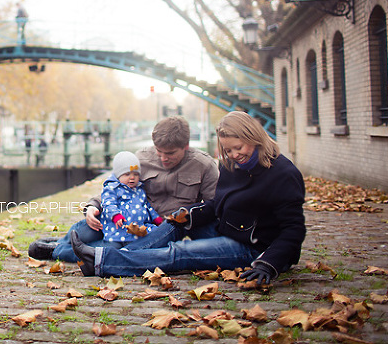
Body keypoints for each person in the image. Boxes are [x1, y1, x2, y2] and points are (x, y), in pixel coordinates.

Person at [71, 111, 307, 285]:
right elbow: (217, 204)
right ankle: (105, 254)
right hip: (227, 230)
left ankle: (103, 260)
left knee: (179, 254)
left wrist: (269, 263)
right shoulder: (231, 165)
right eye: (228, 150)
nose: (234, 155)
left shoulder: (283, 174)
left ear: (253, 137)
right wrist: (188, 215)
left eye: (238, 148)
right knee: (173, 224)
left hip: (255, 248)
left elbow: (293, 229)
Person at [28, 116, 218, 262]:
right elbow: (116, 186)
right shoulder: (141, 159)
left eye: (170, 154)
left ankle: (57, 250)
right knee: (89, 228)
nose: (163, 158)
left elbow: (213, 206)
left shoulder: (204, 165)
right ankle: (63, 242)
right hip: (123, 219)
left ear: (185, 146)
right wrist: (92, 207)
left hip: (158, 230)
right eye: (158, 152)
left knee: (115, 251)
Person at [100, 151, 163, 246]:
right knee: (112, 250)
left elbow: (147, 205)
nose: (132, 178)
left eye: (136, 174)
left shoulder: (139, 190)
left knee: (149, 243)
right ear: (118, 176)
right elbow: (108, 203)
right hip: (118, 231)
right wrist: (115, 215)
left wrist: (156, 218)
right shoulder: (112, 188)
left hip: (138, 230)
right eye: (127, 174)